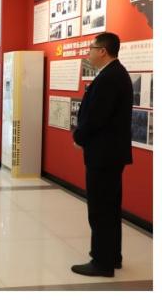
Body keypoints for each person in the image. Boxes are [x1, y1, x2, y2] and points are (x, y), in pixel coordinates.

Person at [71, 33, 133, 277]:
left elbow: (97, 117)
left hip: (104, 155)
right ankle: (112, 256)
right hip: (110, 154)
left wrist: (79, 137)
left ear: (103, 51)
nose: (88, 53)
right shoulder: (115, 74)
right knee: (110, 207)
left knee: (100, 210)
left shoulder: (110, 78)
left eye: (91, 48)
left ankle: (102, 262)